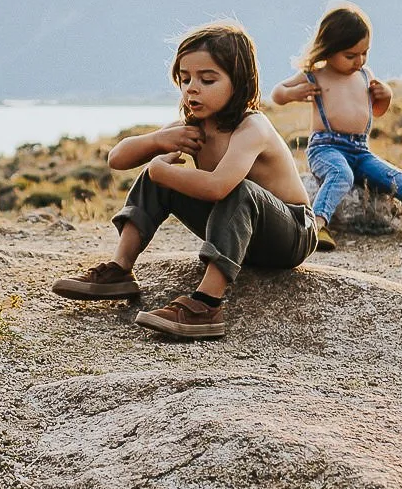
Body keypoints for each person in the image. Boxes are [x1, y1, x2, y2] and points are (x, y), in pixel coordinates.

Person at [50, 22, 316, 340]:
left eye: (207, 79)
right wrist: (160, 141)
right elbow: (117, 159)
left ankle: (206, 305)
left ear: (239, 82)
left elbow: (219, 187)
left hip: (290, 234)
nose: (192, 88)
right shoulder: (194, 126)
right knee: (158, 176)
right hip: (242, 237)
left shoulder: (252, 128)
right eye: (185, 78)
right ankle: (120, 270)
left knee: (234, 188)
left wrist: (162, 170)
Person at [272, 2, 402, 245]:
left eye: (365, 53)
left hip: (361, 150)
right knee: (340, 174)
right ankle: (316, 226)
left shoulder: (365, 75)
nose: (359, 60)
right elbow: (277, 93)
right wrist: (294, 93)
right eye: (350, 55)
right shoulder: (316, 74)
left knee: (395, 178)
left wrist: (385, 96)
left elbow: (375, 111)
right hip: (326, 148)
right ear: (329, 49)